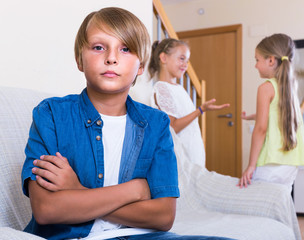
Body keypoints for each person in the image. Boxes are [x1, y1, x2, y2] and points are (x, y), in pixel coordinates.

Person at [21, 7, 234, 240]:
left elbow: (163, 217)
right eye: (98, 47)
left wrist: (79, 191)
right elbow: (46, 210)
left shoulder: (157, 124)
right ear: (79, 59)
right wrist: (133, 190)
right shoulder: (51, 114)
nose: (111, 58)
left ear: (140, 67)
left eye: (125, 49)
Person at [238, 33, 304, 192]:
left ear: (270, 60)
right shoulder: (290, 88)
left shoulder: (265, 88)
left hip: (270, 163)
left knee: (260, 207)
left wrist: (251, 165)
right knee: (280, 204)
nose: (255, 65)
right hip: (289, 165)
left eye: (257, 60)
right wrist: (252, 116)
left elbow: (261, 129)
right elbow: (277, 113)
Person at [148, 38, 230, 167]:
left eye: (187, 61)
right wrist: (200, 110)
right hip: (182, 155)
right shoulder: (161, 88)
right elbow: (173, 126)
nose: (185, 65)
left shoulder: (179, 89)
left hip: (193, 151)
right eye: (181, 59)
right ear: (163, 58)